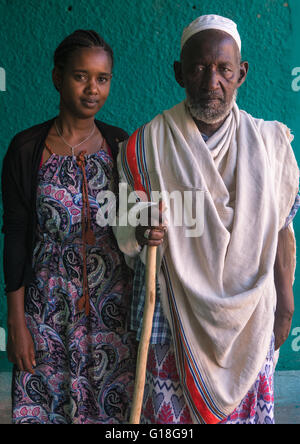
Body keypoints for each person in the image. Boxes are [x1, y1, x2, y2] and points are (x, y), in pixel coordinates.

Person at [114, 15, 300, 424]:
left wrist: (285, 304)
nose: (211, 80)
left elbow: (282, 231)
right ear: (180, 73)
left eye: (224, 69)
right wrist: (142, 231)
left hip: (253, 319)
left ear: (241, 74)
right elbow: (124, 227)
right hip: (171, 313)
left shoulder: (271, 143)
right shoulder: (145, 145)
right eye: (199, 68)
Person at [2, 30, 137, 424]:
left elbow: (132, 228)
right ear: (58, 78)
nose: (92, 88)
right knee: (45, 409)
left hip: (112, 306)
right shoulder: (27, 149)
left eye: (102, 78)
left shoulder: (121, 147)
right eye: (81, 76)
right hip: (47, 306)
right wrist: (16, 321)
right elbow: (14, 235)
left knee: (112, 413)